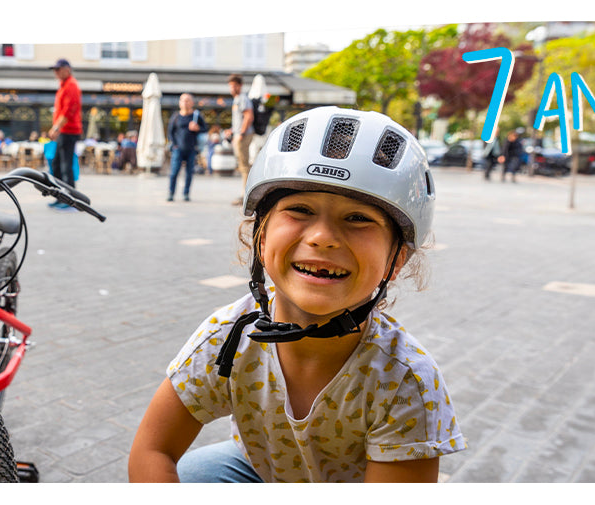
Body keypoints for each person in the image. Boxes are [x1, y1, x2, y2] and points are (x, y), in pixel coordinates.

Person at [128, 107, 466, 483]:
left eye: (358, 218)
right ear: (259, 237)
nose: (322, 236)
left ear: (396, 259)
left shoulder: (405, 382)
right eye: (300, 210)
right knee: (194, 473)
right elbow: (153, 449)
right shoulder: (228, 337)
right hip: (255, 468)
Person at [47, 58, 83, 194]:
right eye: (54, 70)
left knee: (65, 166)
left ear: (67, 70)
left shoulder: (71, 86)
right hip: (65, 131)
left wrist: (56, 127)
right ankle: (61, 196)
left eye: (58, 69)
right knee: (57, 165)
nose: (55, 73)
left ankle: (70, 198)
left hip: (69, 131)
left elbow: (69, 110)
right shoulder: (64, 85)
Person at [166, 93, 208, 202]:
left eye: (187, 100)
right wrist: (174, 145)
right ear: (180, 103)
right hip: (178, 149)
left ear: (192, 103)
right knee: (174, 172)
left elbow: (205, 129)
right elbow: (170, 132)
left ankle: (186, 193)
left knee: (189, 173)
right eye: (183, 100)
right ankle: (171, 193)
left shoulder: (196, 116)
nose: (185, 102)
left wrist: (197, 128)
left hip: (192, 149)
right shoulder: (175, 116)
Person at [224, 74, 254, 205]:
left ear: (240, 86)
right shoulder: (237, 99)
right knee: (242, 165)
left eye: (234, 85)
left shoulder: (242, 98)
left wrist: (241, 133)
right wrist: (232, 130)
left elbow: (248, 116)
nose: (232, 88)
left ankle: (245, 195)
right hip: (239, 134)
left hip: (244, 135)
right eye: (230, 86)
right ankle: (245, 193)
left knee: (244, 165)